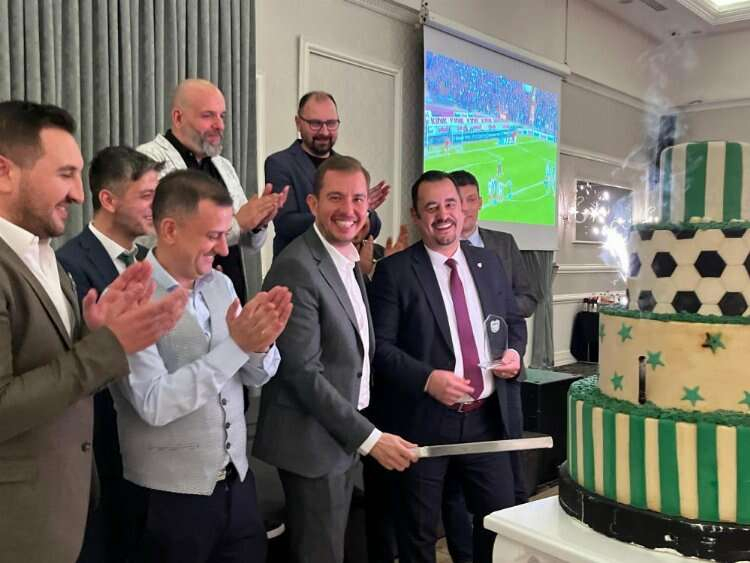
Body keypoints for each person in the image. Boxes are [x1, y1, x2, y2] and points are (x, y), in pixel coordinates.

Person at [0, 100, 186, 562]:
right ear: (5, 173)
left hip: (70, 502)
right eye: (64, 174)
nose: (78, 195)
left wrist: (95, 332)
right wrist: (107, 346)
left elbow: (59, 372)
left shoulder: (44, 255)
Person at [110, 169, 292, 563]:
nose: (224, 249)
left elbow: (256, 376)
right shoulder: (129, 298)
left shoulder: (221, 285)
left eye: (225, 235)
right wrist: (238, 346)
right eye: (213, 236)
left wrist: (262, 343)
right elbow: (153, 403)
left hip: (237, 487)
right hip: (168, 499)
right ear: (170, 230)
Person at [254, 155, 417, 563]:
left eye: (358, 199)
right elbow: (302, 373)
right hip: (311, 445)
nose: (349, 209)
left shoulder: (347, 258)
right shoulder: (297, 268)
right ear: (312, 204)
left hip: (340, 437)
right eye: (335, 198)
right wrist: (371, 438)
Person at [369, 170, 527, 563]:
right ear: (416, 215)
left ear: (463, 209)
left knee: (498, 526)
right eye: (431, 207)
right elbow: (379, 348)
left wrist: (514, 354)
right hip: (423, 423)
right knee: (418, 535)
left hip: (486, 419)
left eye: (450, 204)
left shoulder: (489, 263)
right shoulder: (395, 271)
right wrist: (426, 379)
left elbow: (513, 322)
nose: (443, 215)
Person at [57, 146, 164, 563]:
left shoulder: (150, 260)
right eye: (146, 196)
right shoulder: (71, 264)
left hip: (150, 439)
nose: (156, 207)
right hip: (101, 442)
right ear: (108, 199)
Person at [138, 78, 287, 302]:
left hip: (227, 294)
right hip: (175, 298)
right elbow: (150, 237)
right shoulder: (148, 161)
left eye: (222, 116)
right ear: (178, 117)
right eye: (208, 116)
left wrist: (259, 223)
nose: (220, 125)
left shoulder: (223, 166)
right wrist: (239, 223)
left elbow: (249, 245)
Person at [264, 91, 390, 257]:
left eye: (331, 123)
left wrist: (364, 211)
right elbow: (287, 224)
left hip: (341, 265)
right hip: (297, 264)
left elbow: (374, 225)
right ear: (298, 123)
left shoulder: (347, 166)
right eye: (315, 124)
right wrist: (345, 216)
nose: (324, 132)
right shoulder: (280, 163)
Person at [452, 169, 539, 317]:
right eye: (458, 201)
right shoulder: (437, 249)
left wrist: (497, 306)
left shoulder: (505, 243)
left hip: (501, 329)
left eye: (471, 200)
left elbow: (528, 300)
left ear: (480, 203)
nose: (465, 208)